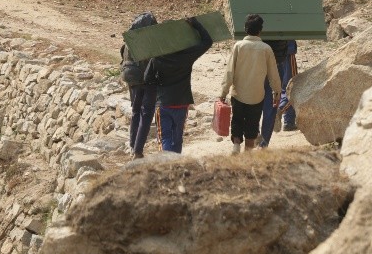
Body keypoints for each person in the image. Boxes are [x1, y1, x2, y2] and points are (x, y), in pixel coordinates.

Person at [143, 17, 212, 154]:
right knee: (177, 137)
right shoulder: (187, 55)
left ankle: (167, 166)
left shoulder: (157, 57)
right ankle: (176, 165)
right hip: (182, 103)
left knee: (165, 138)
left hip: (163, 103)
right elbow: (207, 41)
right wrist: (195, 23)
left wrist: (159, 86)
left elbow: (147, 78)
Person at [220, 14, 281, 154]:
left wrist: (223, 92)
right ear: (260, 31)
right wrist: (277, 92)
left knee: (237, 120)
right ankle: (247, 152)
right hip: (256, 96)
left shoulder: (238, 46)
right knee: (252, 125)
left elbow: (229, 72)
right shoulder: (266, 49)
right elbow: (273, 74)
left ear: (245, 29)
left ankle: (236, 147)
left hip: (238, 93)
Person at [120, 12, 158, 160]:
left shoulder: (130, 39)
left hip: (132, 79)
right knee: (146, 114)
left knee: (136, 112)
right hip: (147, 81)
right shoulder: (150, 40)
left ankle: (132, 145)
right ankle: (138, 150)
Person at [280, 40, 298, 131]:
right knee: (292, 86)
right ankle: (287, 119)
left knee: (280, 87)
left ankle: (285, 119)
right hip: (287, 50)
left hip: (272, 51)